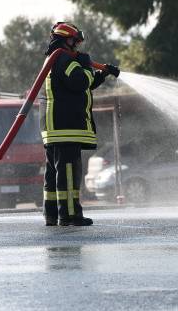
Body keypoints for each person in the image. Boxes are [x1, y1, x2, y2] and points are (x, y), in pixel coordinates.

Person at [40, 22, 119, 226]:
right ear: (66, 40)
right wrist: (85, 64)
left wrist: (102, 73)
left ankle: (52, 215)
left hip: (55, 128)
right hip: (65, 127)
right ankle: (70, 215)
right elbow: (80, 81)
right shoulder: (64, 59)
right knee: (68, 173)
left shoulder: (56, 60)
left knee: (53, 174)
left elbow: (86, 83)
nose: (77, 46)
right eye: (75, 41)